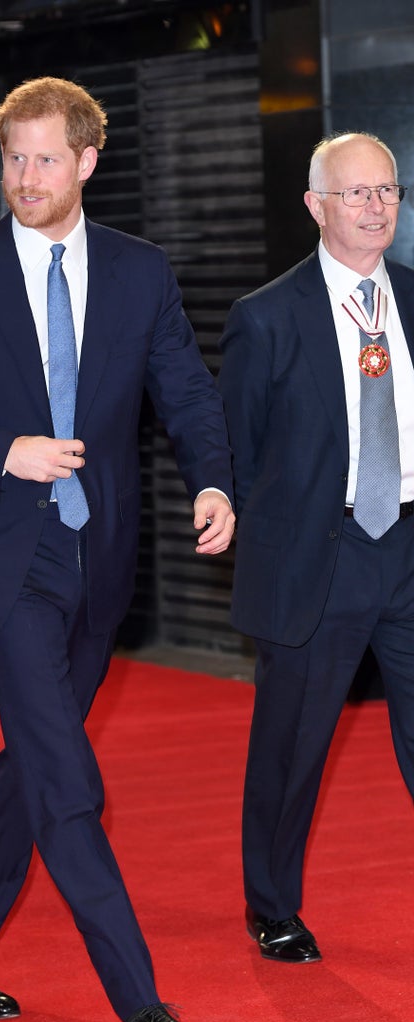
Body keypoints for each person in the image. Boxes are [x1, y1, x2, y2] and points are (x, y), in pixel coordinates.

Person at [0, 76, 235, 1022]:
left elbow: (186, 390)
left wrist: (213, 482)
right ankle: (142, 1007)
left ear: (85, 161)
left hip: (99, 557)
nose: (25, 178)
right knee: (69, 781)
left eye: (43, 159)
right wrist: (3, 449)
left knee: (28, 761)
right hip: (2, 558)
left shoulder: (139, 271)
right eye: (12, 159)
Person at [218, 132, 414, 964]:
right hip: (316, 556)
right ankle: (272, 905)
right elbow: (239, 451)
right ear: (315, 206)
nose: (375, 207)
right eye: (356, 193)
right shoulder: (265, 317)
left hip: (407, 545)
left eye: (388, 191)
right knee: (292, 747)